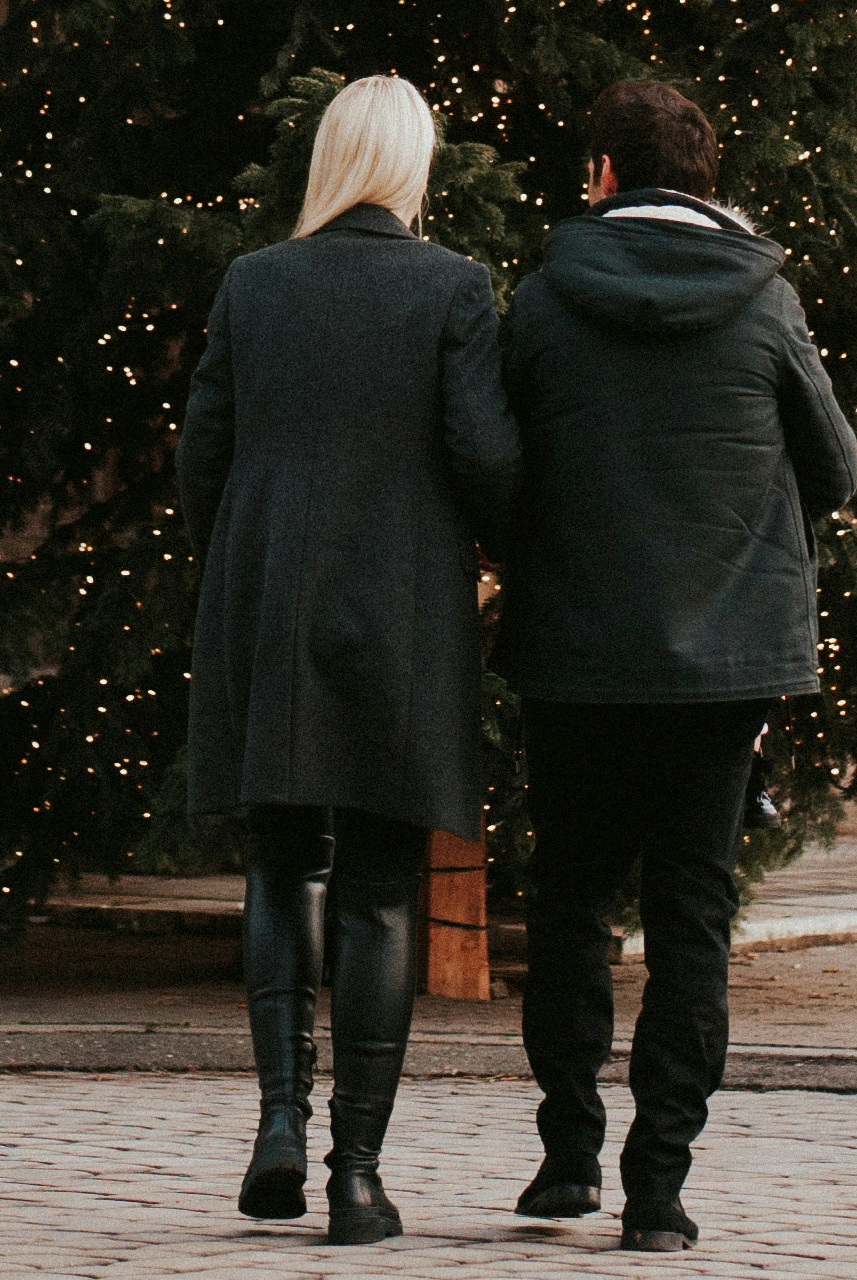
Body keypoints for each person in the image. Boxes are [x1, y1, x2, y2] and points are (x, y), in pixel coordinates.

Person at [499, 78, 857, 1255]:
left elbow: (499, 463)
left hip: (576, 653)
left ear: (602, 172)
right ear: (705, 177)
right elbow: (838, 466)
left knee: (570, 905)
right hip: (723, 668)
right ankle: (660, 1185)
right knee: (691, 915)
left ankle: (566, 1152)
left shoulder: (547, 296)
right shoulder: (767, 300)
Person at [178, 73, 520, 1245]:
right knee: (380, 885)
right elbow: (485, 456)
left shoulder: (253, 282)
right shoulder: (453, 287)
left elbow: (200, 458)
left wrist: (252, 549)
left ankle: (278, 1121)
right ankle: (356, 1173)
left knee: (280, 861)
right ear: (415, 165)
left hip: (268, 595)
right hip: (403, 606)